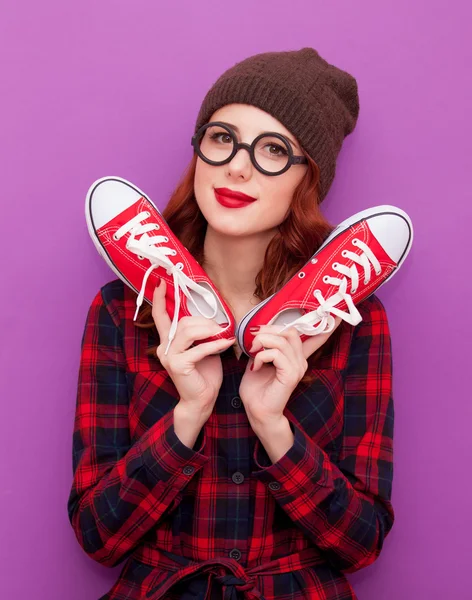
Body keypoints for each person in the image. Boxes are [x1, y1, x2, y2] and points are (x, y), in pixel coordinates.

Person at [67, 47, 395, 599]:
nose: (237, 166)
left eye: (273, 150)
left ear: (306, 181)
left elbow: (361, 544)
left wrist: (274, 426)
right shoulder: (123, 310)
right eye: (222, 138)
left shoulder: (351, 319)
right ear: (199, 152)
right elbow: (98, 536)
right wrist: (188, 414)